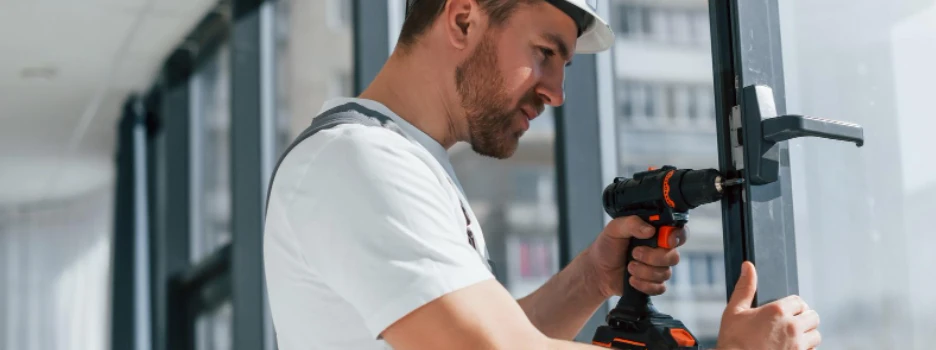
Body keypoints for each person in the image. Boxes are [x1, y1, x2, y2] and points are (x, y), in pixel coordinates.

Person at [262, 0, 822, 349]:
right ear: (463, 18)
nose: (556, 92)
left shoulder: (402, 162)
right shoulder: (358, 159)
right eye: (545, 52)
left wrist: (591, 281)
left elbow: (494, 335)